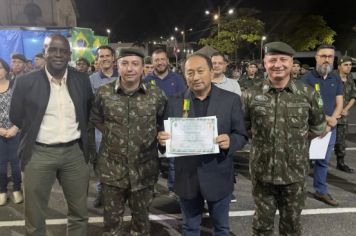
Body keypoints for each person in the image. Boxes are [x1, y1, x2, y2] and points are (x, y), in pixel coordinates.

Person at [10, 34, 94, 236]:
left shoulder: (82, 80)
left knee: (79, 214)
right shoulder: (24, 82)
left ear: (69, 54)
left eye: (63, 51)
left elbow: (88, 110)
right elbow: (16, 115)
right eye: (52, 50)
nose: (58, 54)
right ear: (44, 52)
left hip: (75, 153)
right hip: (39, 153)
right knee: (35, 216)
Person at [158, 53, 248, 235]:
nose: (196, 77)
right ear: (184, 75)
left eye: (200, 71)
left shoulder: (230, 100)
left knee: (221, 228)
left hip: (218, 175)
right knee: (189, 227)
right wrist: (161, 140)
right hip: (187, 177)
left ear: (211, 71)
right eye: (190, 73)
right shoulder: (174, 101)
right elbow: (164, 137)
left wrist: (231, 141)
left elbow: (241, 134)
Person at [243, 42, 326, 235]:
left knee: (291, 228)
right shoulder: (250, 94)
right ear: (265, 62)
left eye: (283, 60)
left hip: (294, 175)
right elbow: (244, 126)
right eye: (272, 60)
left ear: (291, 62)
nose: (277, 65)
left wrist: (297, 141)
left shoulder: (308, 94)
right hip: (263, 174)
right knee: (261, 228)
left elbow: (319, 126)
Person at [90, 48, 166, 235]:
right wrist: (113, 134)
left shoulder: (156, 95)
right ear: (118, 65)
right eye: (125, 63)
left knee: (141, 224)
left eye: (135, 64)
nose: (129, 68)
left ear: (143, 68)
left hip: (143, 171)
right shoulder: (103, 93)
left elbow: (162, 121)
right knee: (112, 225)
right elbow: (96, 118)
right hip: (112, 170)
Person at [302, 45, 343, 206]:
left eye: (330, 56)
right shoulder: (306, 79)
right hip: (309, 128)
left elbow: (339, 102)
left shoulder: (335, 78)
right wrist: (327, 119)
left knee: (323, 161)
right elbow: (304, 105)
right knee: (303, 161)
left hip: (329, 129)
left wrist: (333, 120)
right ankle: (297, 191)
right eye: (324, 56)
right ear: (316, 57)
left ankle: (321, 191)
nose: (327, 59)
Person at [144, 48, 186, 198]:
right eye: (157, 60)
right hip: (152, 125)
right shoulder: (146, 81)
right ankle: (151, 186)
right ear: (152, 62)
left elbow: (185, 101)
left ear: (167, 61)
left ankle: (172, 188)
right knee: (151, 158)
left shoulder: (178, 79)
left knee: (174, 160)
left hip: (173, 125)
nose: (160, 62)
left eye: (162, 59)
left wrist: (184, 119)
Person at [89, 45, 119, 208]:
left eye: (108, 56)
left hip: (122, 127)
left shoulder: (122, 75)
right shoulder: (92, 79)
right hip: (100, 128)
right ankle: (101, 191)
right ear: (97, 59)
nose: (105, 58)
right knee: (101, 161)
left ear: (113, 58)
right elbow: (90, 105)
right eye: (102, 56)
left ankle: (120, 191)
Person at [0, 58, 22, 206]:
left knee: (16, 163)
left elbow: (24, 108)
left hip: (15, 131)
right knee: (0, 163)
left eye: (0, 68)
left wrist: (15, 128)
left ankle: (17, 189)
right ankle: (2, 191)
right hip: (0, 132)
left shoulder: (16, 86)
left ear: (6, 70)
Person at [334, 56, 356, 173]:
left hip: (343, 116)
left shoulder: (350, 78)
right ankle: (314, 162)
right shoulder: (332, 77)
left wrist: (346, 109)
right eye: (346, 65)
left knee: (341, 141)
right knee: (322, 139)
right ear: (339, 66)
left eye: (350, 65)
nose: (349, 67)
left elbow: (353, 95)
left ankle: (340, 162)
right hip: (330, 115)